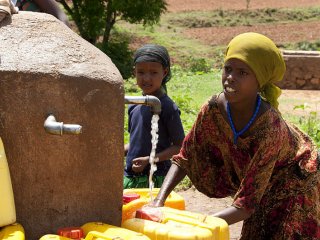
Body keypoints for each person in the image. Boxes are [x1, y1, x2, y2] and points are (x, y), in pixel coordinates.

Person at [152, 32, 320, 239]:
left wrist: (197, 226)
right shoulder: (213, 109)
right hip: (259, 186)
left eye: (242, 72)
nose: (231, 77)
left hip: (294, 182)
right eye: (228, 69)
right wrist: (158, 202)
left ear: (259, 81)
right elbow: (185, 158)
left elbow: (246, 205)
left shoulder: (270, 128)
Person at [124, 44, 185, 189]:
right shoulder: (134, 104)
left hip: (156, 177)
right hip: (131, 176)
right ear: (134, 72)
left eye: (153, 72)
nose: (146, 78)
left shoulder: (167, 107)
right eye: (141, 72)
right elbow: (137, 141)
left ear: (164, 72)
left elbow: (179, 146)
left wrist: (150, 160)